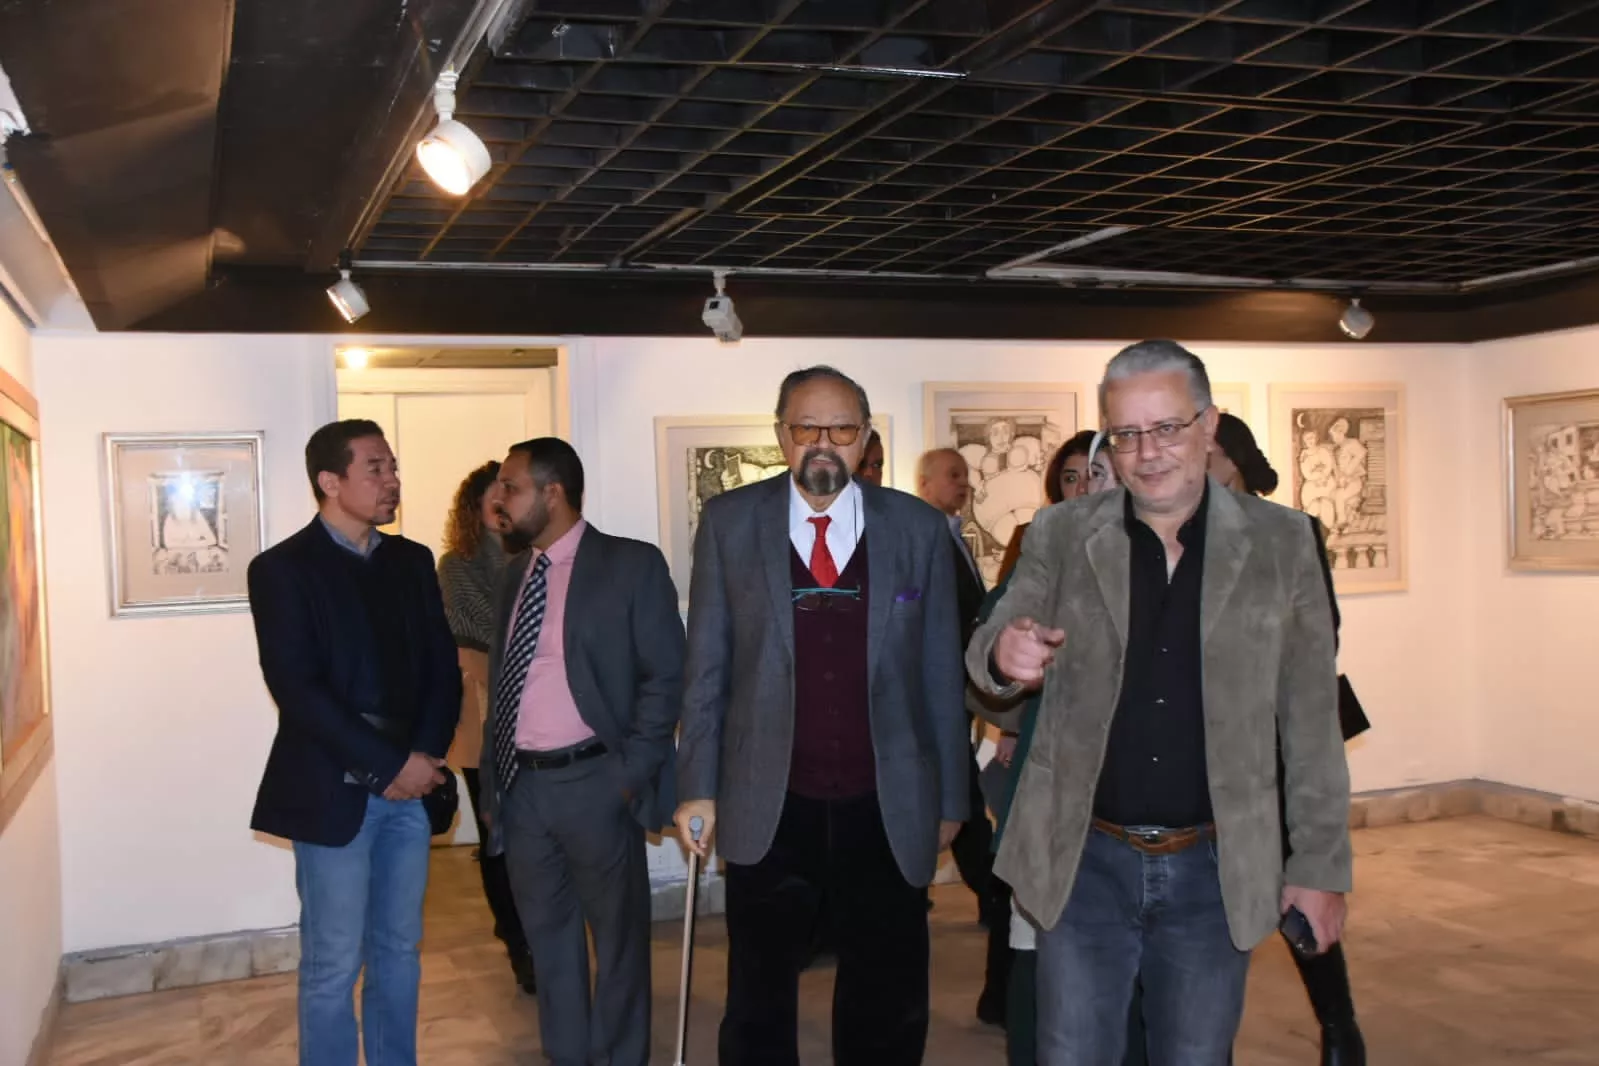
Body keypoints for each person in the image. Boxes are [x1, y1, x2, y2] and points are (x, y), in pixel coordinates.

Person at [967, 340, 1352, 1066]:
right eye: (1126, 434)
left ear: (1209, 424)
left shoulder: (1282, 542)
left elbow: (1310, 722)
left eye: (1167, 428)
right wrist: (1001, 655)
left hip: (1214, 868)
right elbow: (993, 643)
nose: (1146, 453)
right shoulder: (1062, 532)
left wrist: (1320, 867)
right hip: (1082, 862)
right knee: (1071, 1053)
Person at [674, 365, 969, 1066]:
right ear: (781, 435)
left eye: (841, 429)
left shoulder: (917, 528)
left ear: (864, 437)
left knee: (886, 994)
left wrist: (952, 798)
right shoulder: (729, 523)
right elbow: (706, 666)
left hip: (886, 800)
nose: (823, 444)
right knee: (758, 998)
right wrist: (697, 785)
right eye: (807, 428)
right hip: (768, 800)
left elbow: (939, 673)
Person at [247, 419, 460, 1066]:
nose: (392, 480)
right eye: (376, 468)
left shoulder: (411, 561)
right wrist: (388, 765)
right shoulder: (282, 569)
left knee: (399, 950)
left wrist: (424, 759)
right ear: (330, 481)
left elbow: (442, 670)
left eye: (392, 467)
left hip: (410, 788)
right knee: (333, 962)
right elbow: (297, 689)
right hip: (333, 792)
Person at [476, 437, 684, 1066]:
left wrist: (628, 775)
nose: (498, 500)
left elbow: (666, 675)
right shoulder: (514, 574)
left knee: (618, 944)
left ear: (553, 492)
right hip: (524, 789)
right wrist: (494, 784)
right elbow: (505, 680)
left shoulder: (630, 564)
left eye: (511, 487)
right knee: (548, 942)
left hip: (596, 781)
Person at [1210, 412, 1368, 1066]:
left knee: (1294, 891)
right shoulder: (1179, 530)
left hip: (1273, 743)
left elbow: (1321, 632)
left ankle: (1339, 1026)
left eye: (1205, 451)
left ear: (1233, 460)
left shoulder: (1291, 530)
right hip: (1206, 745)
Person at [978, 430, 1119, 1066]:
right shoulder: (1043, 548)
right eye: (1071, 476)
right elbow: (988, 660)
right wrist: (1010, 666)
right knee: (1036, 950)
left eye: (1099, 473)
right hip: (1051, 788)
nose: (1085, 486)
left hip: (1137, 808)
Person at [436, 460, 536, 995]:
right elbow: (485, 625)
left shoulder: (540, 553)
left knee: (538, 834)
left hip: (542, 712)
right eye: (493, 494)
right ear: (473, 507)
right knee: (498, 835)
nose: (502, 502)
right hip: (483, 712)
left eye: (510, 492)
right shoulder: (457, 565)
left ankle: (540, 934)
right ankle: (517, 942)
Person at [916, 445, 1007, 1025]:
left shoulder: (955, 536)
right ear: (925, 482)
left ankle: (989, 892)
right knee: (959, 799)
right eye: (953, 475)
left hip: (960, 690)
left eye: (966, 475)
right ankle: (992, 892)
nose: (964, 483)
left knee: (961, 796)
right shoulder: (924, 537)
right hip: (936, 693)